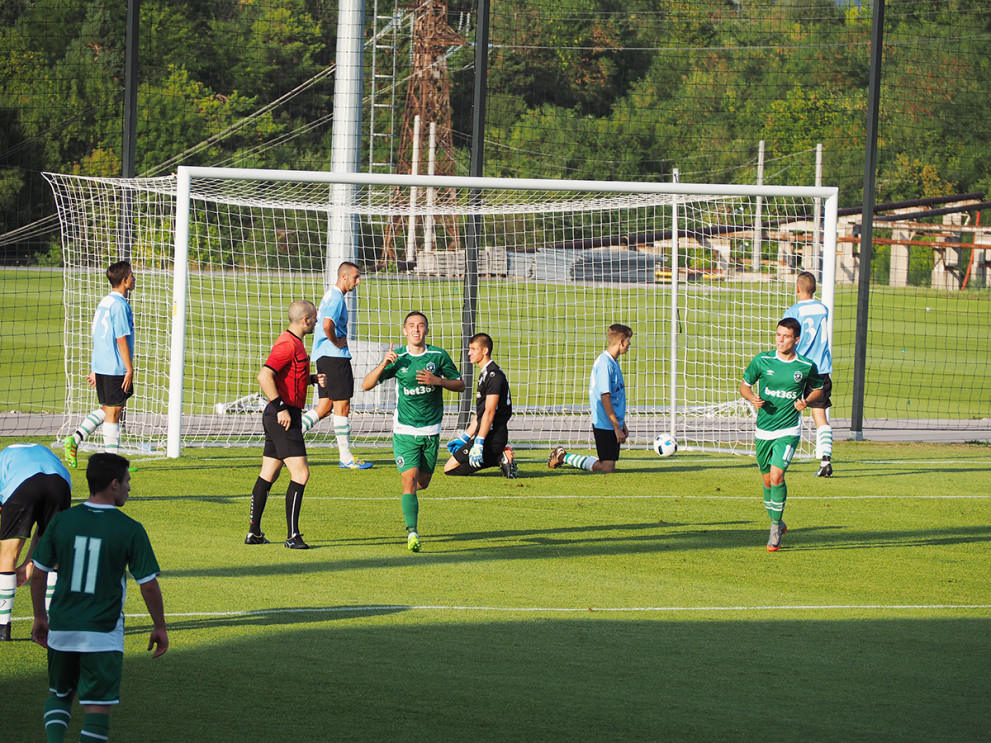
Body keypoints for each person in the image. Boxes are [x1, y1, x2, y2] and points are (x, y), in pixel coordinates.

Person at [31, 452, 167, 743]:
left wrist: (41, 617)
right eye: (128, 481)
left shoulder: (61, 522)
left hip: (62, 627)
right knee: (97, 708)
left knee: (60, 694)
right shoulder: (130, 529)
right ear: (114, 484)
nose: (130, 488)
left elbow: (39, 573)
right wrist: (160, 626)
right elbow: (149, 586)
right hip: (102, 633)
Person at [361, 311, 465, 552]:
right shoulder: (397, 358)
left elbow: (460, 385)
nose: (416, 329)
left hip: (431, 431)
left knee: (422, 483)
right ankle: (412, 533)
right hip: (404, 432)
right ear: (404, 331)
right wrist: (384, 363)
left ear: (426, 330)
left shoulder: (438, 356)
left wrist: (437, 381)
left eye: (421, 325)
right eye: (411, 326)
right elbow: (366, 385)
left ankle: (412, 502)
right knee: (408, 482)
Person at [245, 300, 325, 550]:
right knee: (301, 474)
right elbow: (264, 375)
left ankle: (254, 533)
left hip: (282, 413)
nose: (316, 321)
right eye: (314, 317)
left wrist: (310, 379)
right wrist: (280, 407)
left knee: (269, 473)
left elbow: (287, 376)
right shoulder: (287, 344)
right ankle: (292, 536)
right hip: (283, 415)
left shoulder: (295, 343)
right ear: (305, 320)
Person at [739, 318, 823, 552]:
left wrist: (805, 401)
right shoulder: (762, 360)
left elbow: (818, 388)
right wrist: (751, 397)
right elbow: (744, 386)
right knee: (766, 481)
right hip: (763, 429)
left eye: (786, 336)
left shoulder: (805, 366)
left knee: (777, 477)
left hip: (788, 430)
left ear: (796, 340)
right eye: (778, 335)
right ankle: (779, 520)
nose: (780, 340)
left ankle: (775, 530)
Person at [64, 261, 137, 468]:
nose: (134, 278)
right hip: (115, 366)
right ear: (124, 280)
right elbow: (120, 338)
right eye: (131, 275)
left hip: (103, 364)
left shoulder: (104, 302)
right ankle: (112, 463)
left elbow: (97, 334)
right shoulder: (120, 305)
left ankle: (75, 439)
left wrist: (95, 367)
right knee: (114, 412)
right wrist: (129, 368)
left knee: (109, 409)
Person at [301, 261, 372, 470]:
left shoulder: (330, 296)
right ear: (344, 276)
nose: (358, 282)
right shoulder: (336, 297)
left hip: (324, 357)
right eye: (356, 277)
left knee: (324, 407)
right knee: (343, 407)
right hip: (334, 358)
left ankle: (288, 441)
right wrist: (335, 342)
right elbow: (326, 324)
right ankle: (346, 457)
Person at [0, 443, 71, 641]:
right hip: (60, 484)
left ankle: (2, 627)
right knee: (53, 553)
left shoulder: (3, 457)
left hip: (22, 485)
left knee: (9, 553)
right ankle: (49, 625)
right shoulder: (48, 454)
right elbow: (43, 533)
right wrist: (30, 563)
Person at [548, 324, 633, 474]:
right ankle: (563, 456)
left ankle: (563, 455)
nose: (630, 344)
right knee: (607, 467)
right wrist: (617, 427)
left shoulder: (613, 362)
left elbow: (614, 396)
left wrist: (622, 423)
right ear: (621, 341)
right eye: (628, 340)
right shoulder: (605, 364)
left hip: (612, 422)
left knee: (608, 464)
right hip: (605, 423)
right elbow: (605, 397)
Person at [443, 333, 517, 479]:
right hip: (484, 434)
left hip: (493, 436)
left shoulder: (493, 376)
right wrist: (465, 438)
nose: (469, 353)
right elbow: (481, 413)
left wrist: (479, 442)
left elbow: (490, 412)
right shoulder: (486, 374)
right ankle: (498, 456)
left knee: (450, 469)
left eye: (473, 349)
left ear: (485, 351)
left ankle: (500, 456)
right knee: (450, 466)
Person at [784, 270, 834, 477]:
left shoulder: (793, 311)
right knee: (819, 415)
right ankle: (825, 460)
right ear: (814, 289)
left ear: (797, 288)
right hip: (821, 369)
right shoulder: (823, 308)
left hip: (800, 367)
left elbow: (788, 338)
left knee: (787, 411)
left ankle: (779, 458)